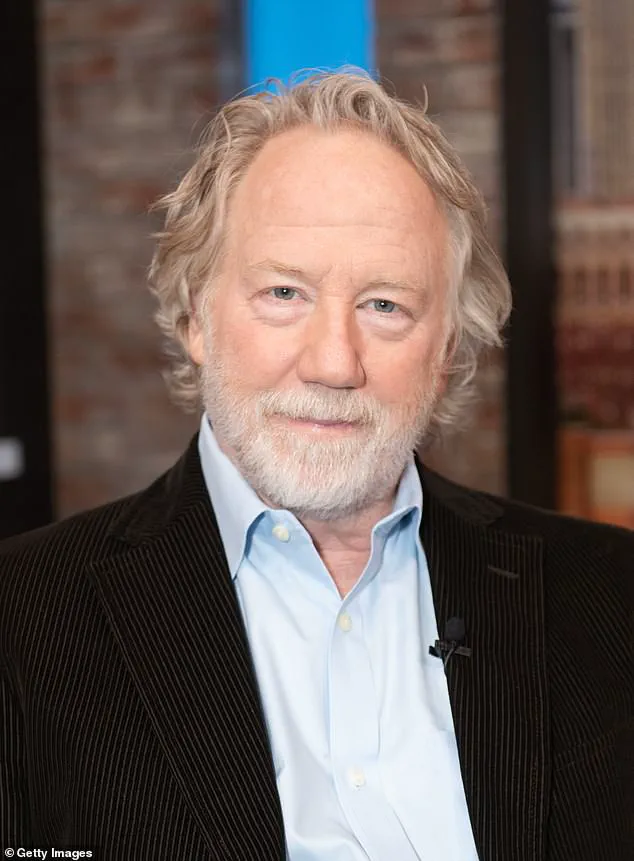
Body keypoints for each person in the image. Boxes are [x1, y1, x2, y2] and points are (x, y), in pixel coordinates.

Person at [1, 71, 632, 861]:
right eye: (284, 292)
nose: (334, 362)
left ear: (447, 348)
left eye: (385, 305)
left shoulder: (612, 596)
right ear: (196, 317)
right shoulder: (21, 621)